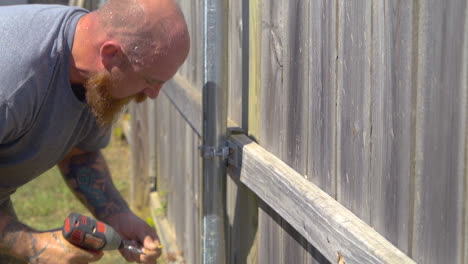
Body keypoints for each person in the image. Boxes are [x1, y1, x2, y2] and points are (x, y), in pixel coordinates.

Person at [0, 0, 190, 262]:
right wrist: (32, 246)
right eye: (150, 80)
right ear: (111, 54)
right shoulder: (12, 83)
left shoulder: (94, 76)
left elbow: (79, 152)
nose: (154, 94)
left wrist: (118, 216)